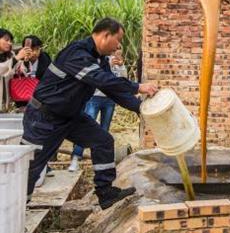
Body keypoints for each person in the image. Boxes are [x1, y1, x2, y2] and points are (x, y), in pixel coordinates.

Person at [21, 17, 158, 210]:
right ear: (105, 35)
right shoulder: (77, 53)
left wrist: (141, 109)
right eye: (118, 40)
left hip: (71, 116)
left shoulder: (99, 58)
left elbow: (112, 89)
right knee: (29, 169)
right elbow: (101, 80)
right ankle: (13, 213)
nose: (119, 45)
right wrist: (138, 86)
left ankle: (105, 193)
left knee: (102, 141)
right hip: (44, 118)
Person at [68, 44, 127, 171]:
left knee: (104, 131)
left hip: (109, 101)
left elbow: (123, 80)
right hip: (94, 98)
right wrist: (109, 66)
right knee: (86, 129)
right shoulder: (103, 61)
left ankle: (99, 162)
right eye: (115, 48)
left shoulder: (120, 64)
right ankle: (75, 159)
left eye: (119, 49)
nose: (117, 51)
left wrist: (121, 66)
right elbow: (98, 77)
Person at [14, 35, 52, 108]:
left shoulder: (44, 57)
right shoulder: (18, 58)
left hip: (39, 95)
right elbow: (17, 76)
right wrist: (25, 61)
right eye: (31, 49)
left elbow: (49, 76)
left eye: (37, 49)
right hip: (22, 95)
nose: (34, 53)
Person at [0, 28, 32, 111]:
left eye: (10, 41)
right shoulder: (14, 57)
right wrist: (17, 57)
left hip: (8, 99)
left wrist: (26, 60)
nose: (9, 43)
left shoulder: (11, 55)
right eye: (6, 40)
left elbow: (22, 71)